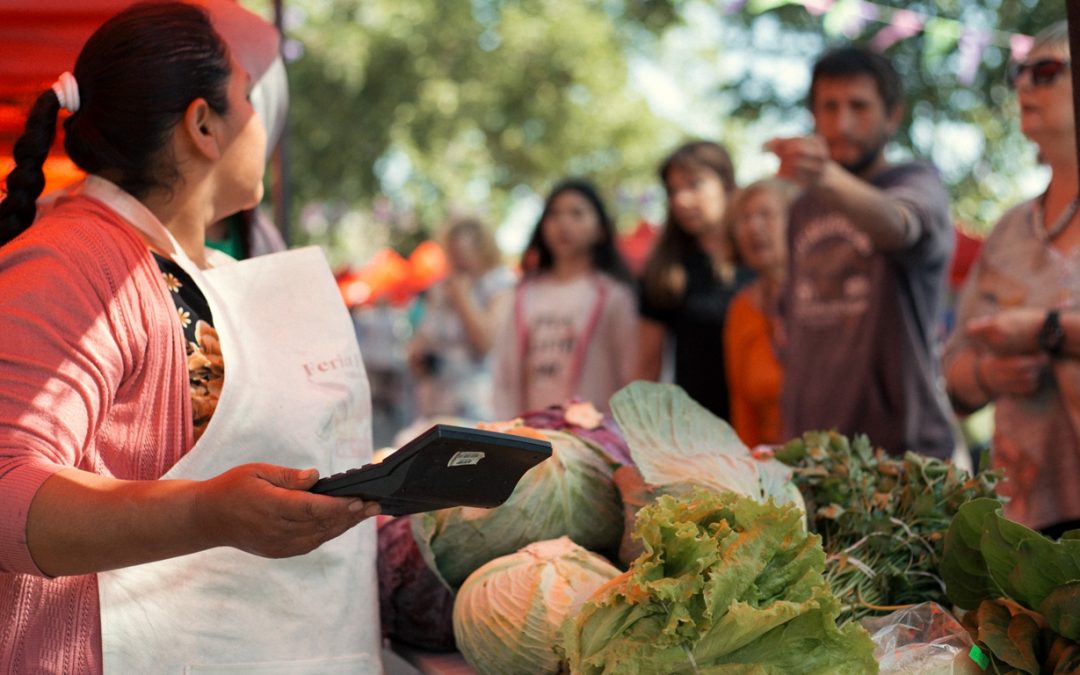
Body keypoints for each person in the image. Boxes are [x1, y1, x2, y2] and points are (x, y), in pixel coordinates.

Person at [0, 4, 382, 672]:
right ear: (203, 125)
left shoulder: (222, 277)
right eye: (247, 97)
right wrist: (211, 512)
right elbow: (6, 489)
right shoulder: (67, 262)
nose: (262, 122)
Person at [767, 45, 955, 458]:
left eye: (859, 106)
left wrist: (825, 177)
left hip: (900, 454)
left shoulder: (916, 182)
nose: (842, 123)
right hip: (812, 453)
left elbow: (899, 225)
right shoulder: (802, 207)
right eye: (828, 107)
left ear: (893, 116)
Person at [943, 21, 1080, 537]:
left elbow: (1044, 328)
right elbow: (952, 371)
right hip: (1026, 520)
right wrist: (987, 376)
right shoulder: (1008, 232)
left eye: (1045, 72)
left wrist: (1047, 329)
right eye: (1018, 73)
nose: (1024, 86)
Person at [492, 179, 637, 417]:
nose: (563, 224)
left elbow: (630, 372)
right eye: (554, 214)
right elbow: (506, 370)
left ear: (600, 229)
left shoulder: (613, 296)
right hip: (532, 437)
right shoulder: (525, 293)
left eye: (576, 213)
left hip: (594, 440)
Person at [636, 140, 752, 419]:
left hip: (768, 429)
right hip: (698, 434)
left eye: (694, 184)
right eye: (673, 190)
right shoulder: (667, 270)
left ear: (726, 184)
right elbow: (647, 365)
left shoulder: (759, 258)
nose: (681, 200)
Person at [408, 217, 515, 421]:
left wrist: (463, 299)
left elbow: (486, 342)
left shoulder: (499, 284)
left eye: (464, 254)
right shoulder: (439, 287)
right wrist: (417, 355)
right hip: (436, 399)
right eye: (453, 254)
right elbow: (424, 337)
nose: (458, 262)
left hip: (479, 401)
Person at [723, 178, 799, 447]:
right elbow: (742, 408)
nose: (753, 227)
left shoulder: (827, 298)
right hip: (769, 467)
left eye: (765, 215)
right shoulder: (741, 308)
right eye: (743, 219)